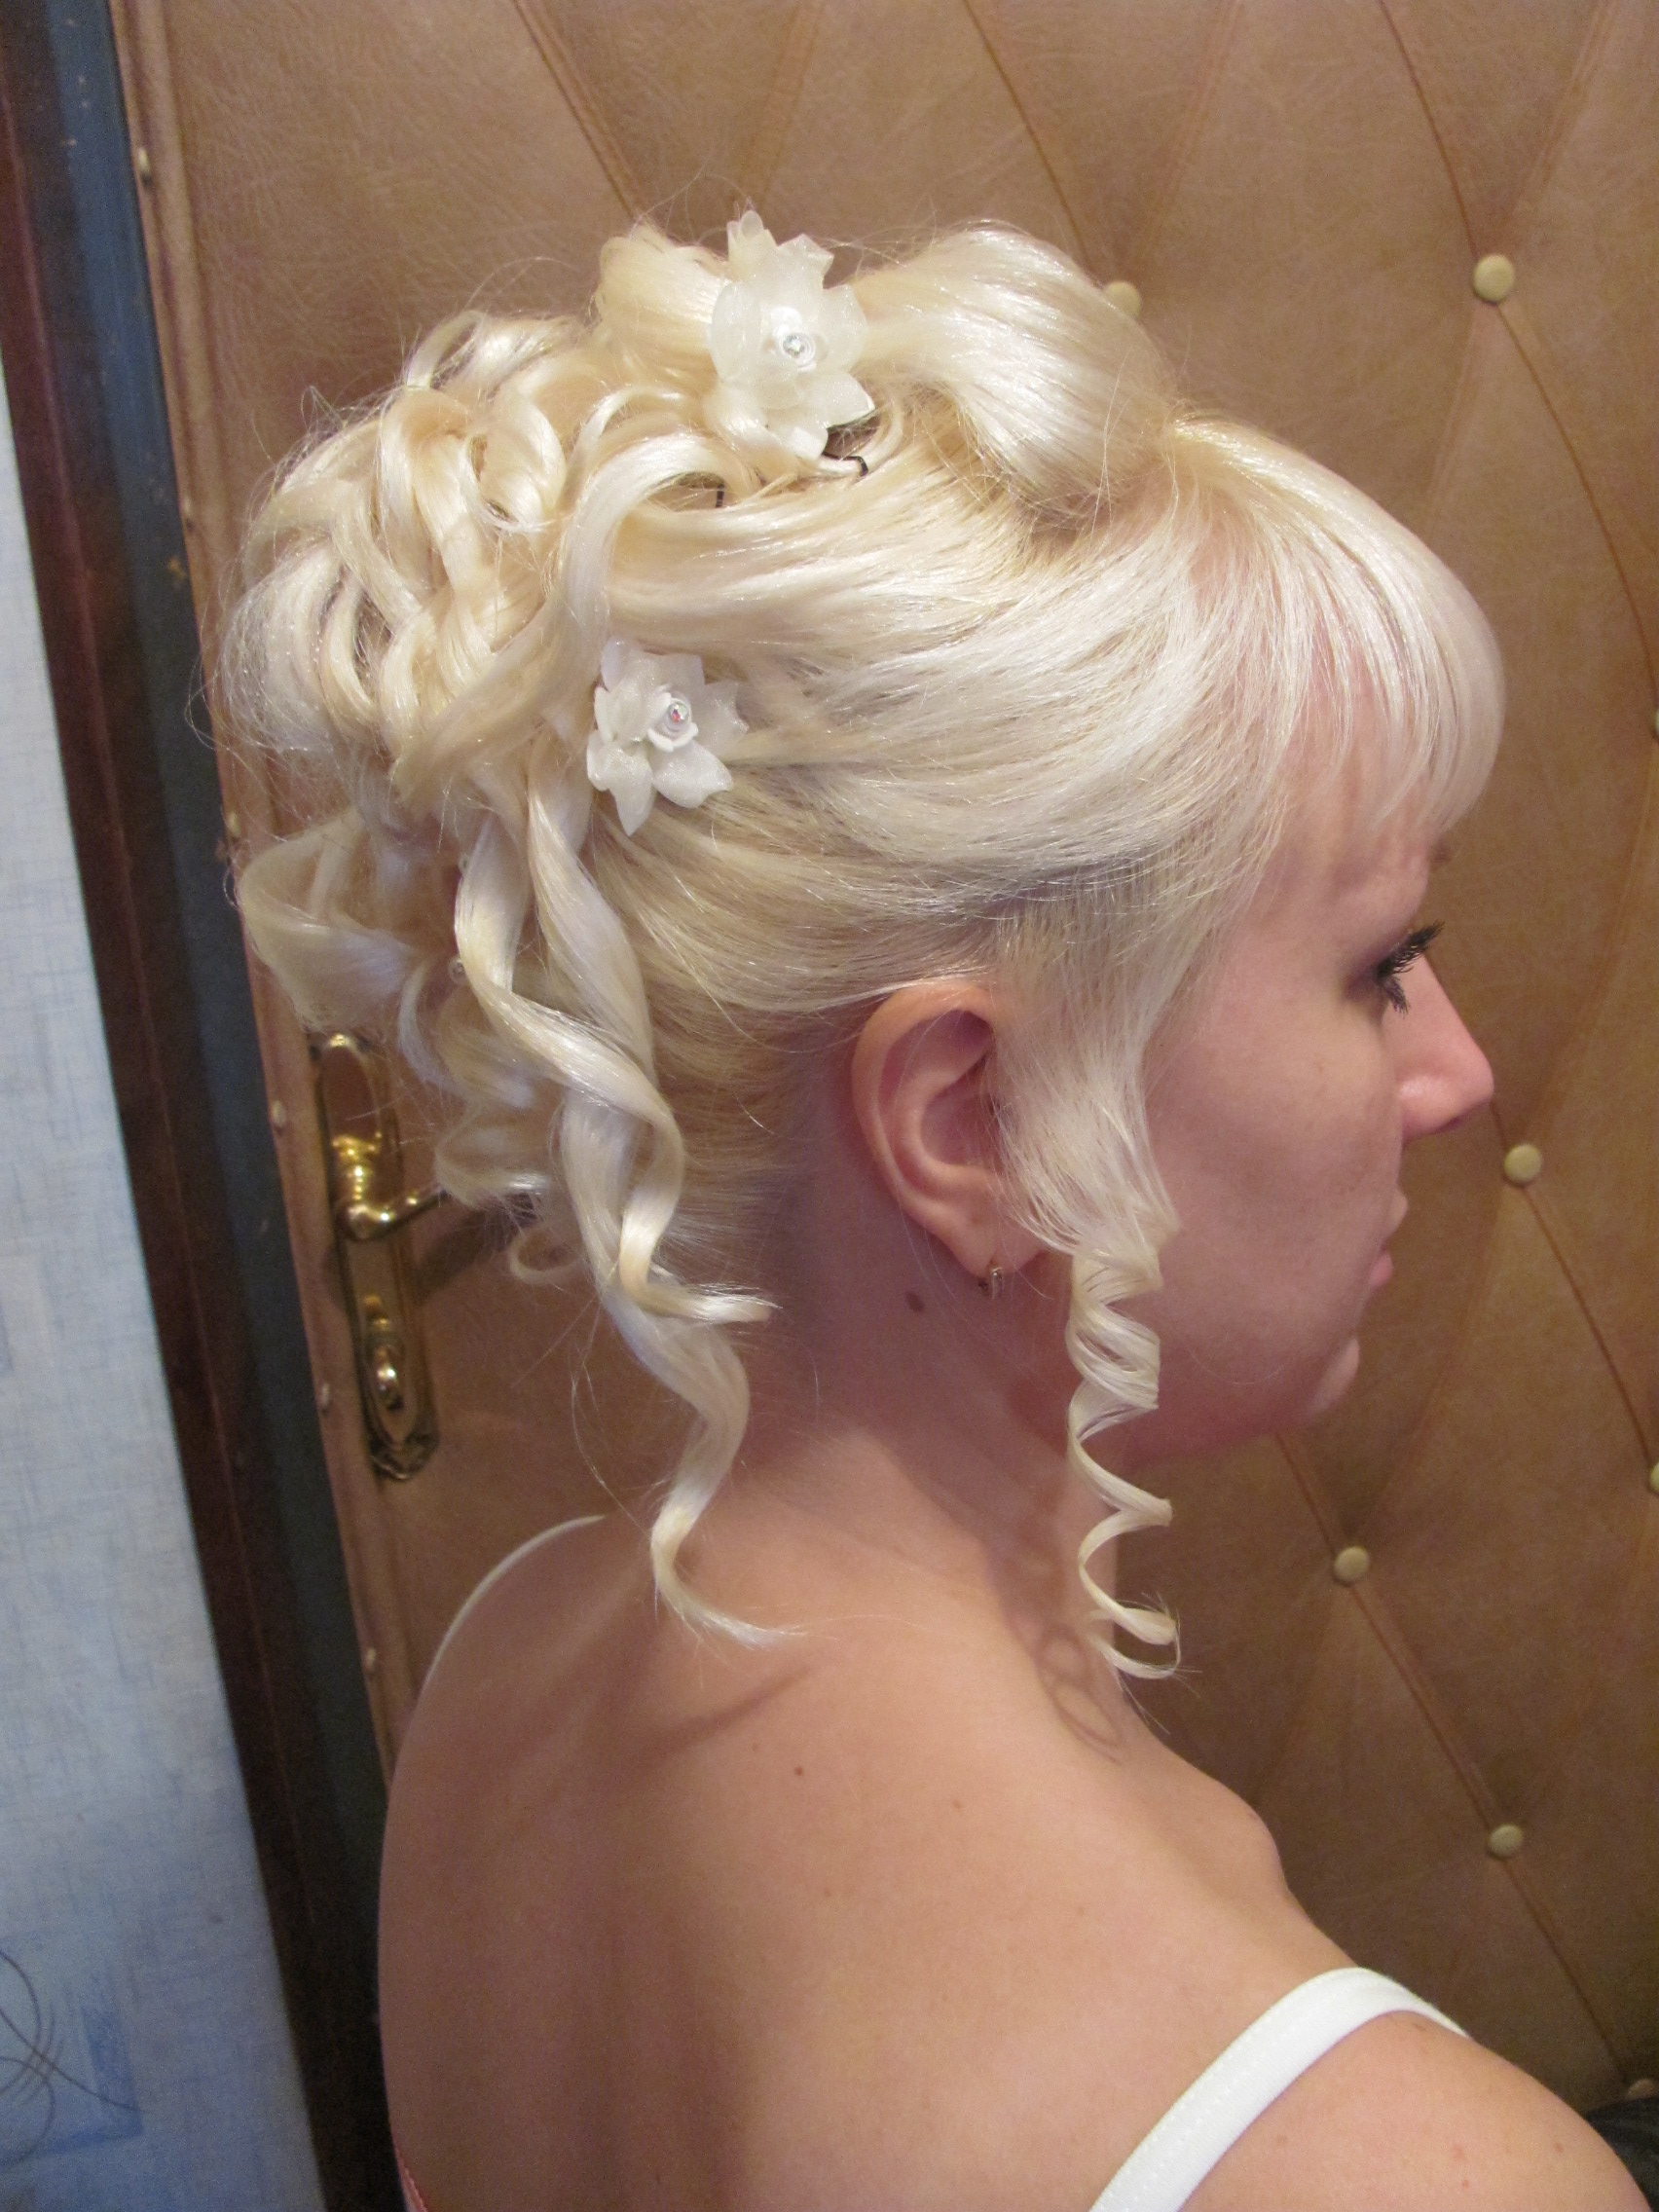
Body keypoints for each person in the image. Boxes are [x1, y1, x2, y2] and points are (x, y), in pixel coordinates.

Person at [223, 216, 1643, 2211]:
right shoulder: (1404, 2175)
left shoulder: (503, 1670)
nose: (1458, 1072)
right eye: (1380, 966)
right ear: (975, 1117)